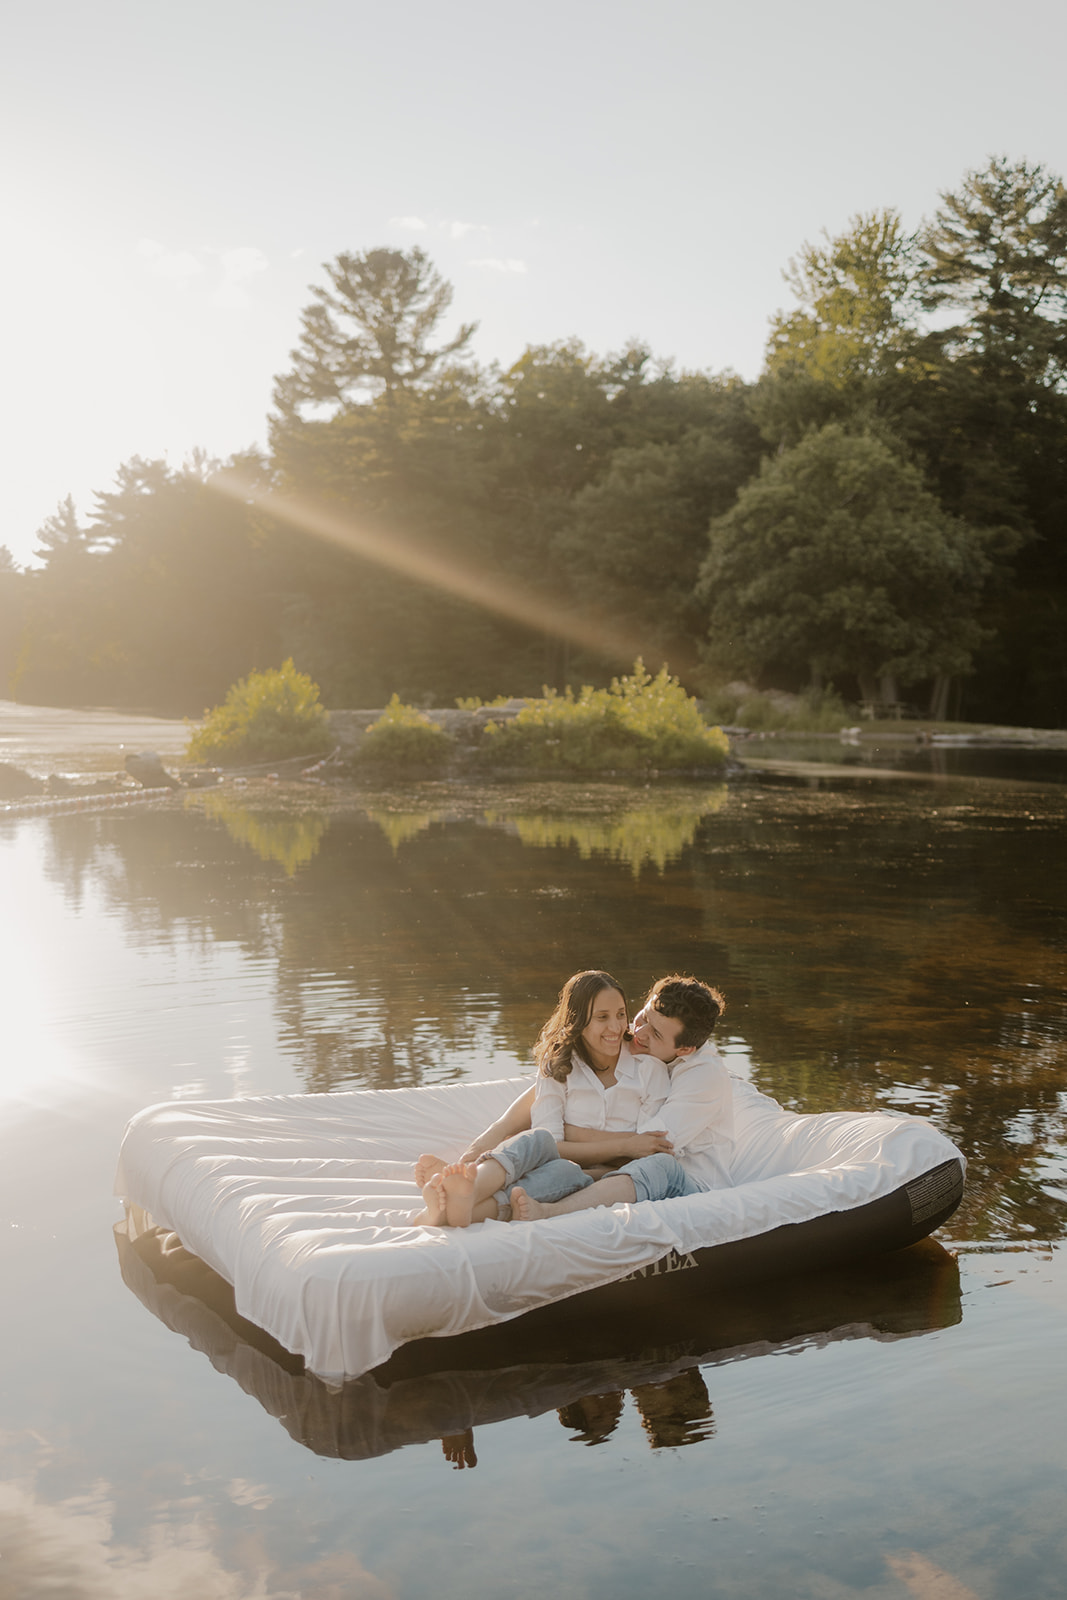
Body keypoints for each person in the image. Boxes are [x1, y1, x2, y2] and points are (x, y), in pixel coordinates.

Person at [412, 970, 678, 1228]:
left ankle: (445, 1212)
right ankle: (468, 1191)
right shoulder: (558, 1066)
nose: (616, 1027)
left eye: (621, 1015)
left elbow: (644, 1151)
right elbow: (550, 1144)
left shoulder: (648, 1070)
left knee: (562, 1172)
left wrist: (615, 1147)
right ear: (579, 1022)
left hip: (596, 1177)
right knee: (534, 1139)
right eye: (602, 1017)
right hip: (551, 1158)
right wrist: (625, 1144)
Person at [509, 974, 733, 1222]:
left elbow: (647, 1146)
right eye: (644, 1016)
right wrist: (498, 1132)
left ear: (685, 1050)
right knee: (553, 1162)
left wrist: (569, 1133)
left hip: (692, 1189)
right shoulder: (653, 1054)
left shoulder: (703, 1077)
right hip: (628, 1174)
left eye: (656, 1034)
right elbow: (544, 1087)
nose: (639, 1031)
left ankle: (552, 1212)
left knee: (659, 1164)